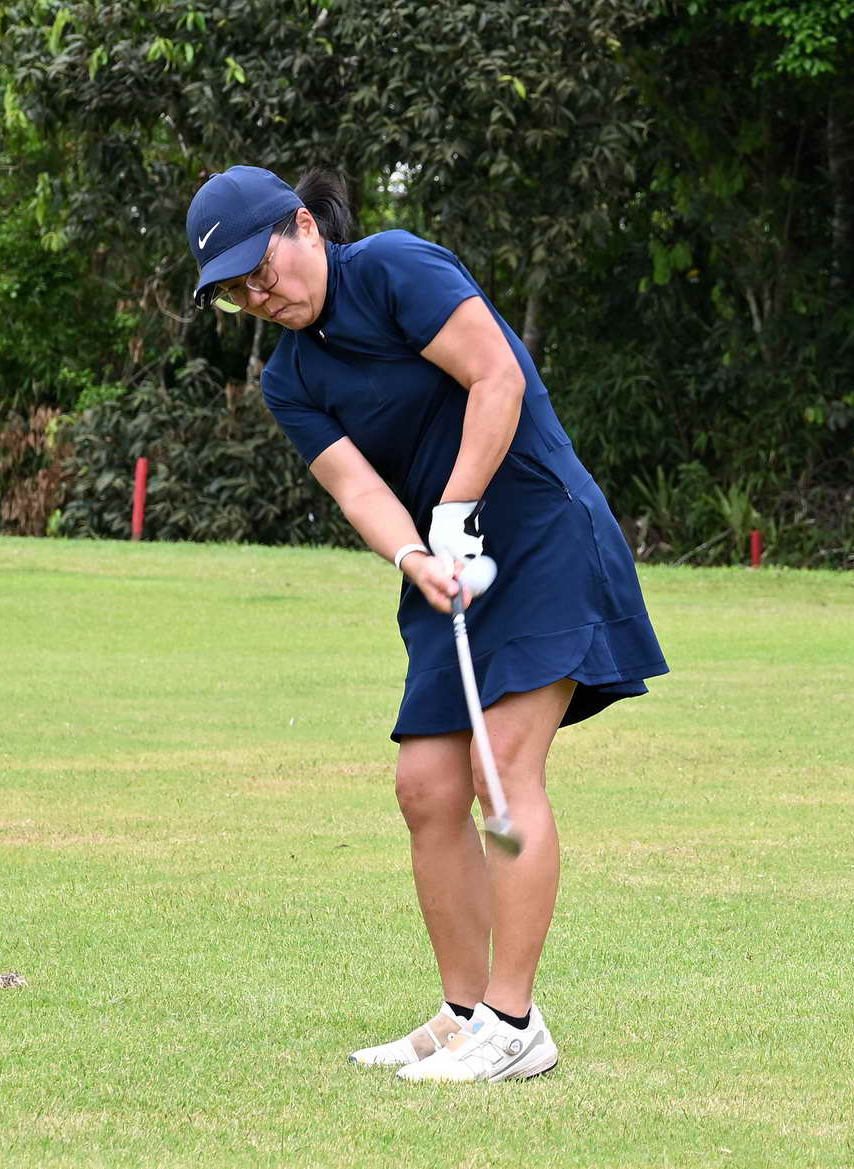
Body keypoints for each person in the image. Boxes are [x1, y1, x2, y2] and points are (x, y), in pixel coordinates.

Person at [184, 165, 668, 1082]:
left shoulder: (393, 268)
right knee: (425, 786)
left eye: (263, 270)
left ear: (303, 226)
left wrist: (455, 505)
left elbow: (496, 376)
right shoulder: (290, 377)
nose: (260, 297)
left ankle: (515, 1025)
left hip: (539, 531)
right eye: (238, 292)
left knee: (500, 767)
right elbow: (358, 488)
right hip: (446, 560)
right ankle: (463, 1014)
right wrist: (414, 555)